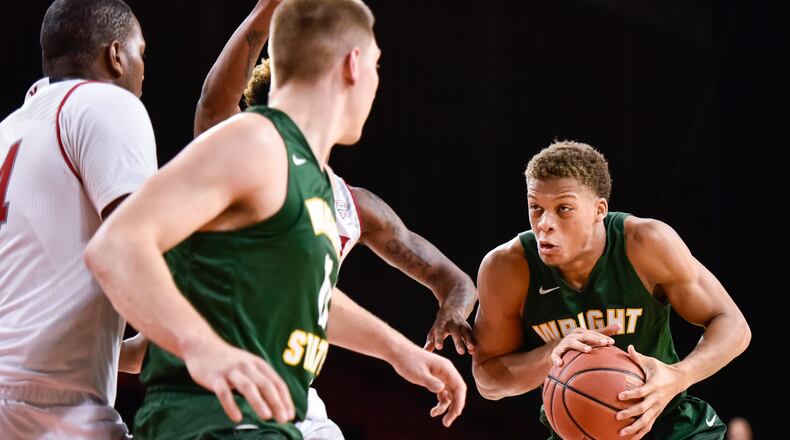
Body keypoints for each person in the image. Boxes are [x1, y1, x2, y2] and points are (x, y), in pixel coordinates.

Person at [84, 1, 466, 439]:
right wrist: (201, 346)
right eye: (378, 64)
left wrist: (400, 352)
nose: (379, 84)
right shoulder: (257, 140)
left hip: (273, 420)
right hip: (215, 423)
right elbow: (115, 246)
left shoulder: (314, 180)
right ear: (353, 64)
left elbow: (306, 291)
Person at [471, 141, 750, 439]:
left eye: (563, 209)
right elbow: (487, 380)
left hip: (666, 423)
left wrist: (678, 376)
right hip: (579, 428)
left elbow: (734, 326)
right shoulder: (506, 268)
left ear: (598, 209)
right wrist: (551, 354)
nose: (545, 224)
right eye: (535, 208)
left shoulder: (646, 243)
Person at [0, 0, 155, 438]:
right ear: (116, 55)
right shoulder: (106, 103)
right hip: (55, 411)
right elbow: (138, 246)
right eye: (142, 52)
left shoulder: (11, 128)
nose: (144, 69)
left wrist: (122, 350)